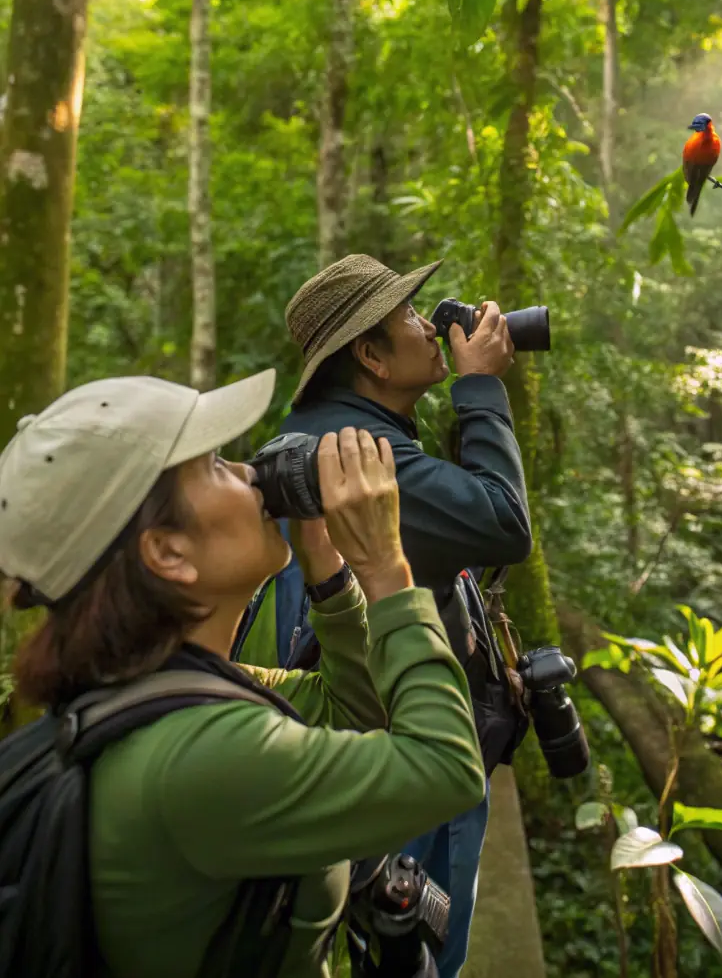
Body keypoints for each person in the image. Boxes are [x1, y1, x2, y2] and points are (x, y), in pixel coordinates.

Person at [0, 367, 485, 978]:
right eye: (214, 466)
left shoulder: (161, 694)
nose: (251, 472)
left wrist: (331, 577)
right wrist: (386, 567)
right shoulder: (200, 755)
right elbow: (447, 770)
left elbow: (353, 713)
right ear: (167, 552)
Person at [236, 254, 532, 978]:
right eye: (408, 315)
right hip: (408, 745)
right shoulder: (363, 456)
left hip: (367, 736)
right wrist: (482, 385)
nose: (431, 324)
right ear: (369, 354)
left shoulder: (335, 431)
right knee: (420, 948)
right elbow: (503, 522)